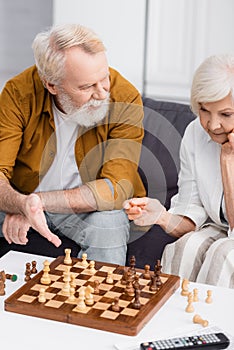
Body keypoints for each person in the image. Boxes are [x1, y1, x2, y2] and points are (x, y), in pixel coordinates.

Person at [0, 23, 146, 265]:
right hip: (22, 196)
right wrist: (21, 204)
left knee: (108, 225)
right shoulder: (19, 93)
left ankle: (99, 302)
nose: (101, 93)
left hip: (87, 210)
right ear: (51, 85)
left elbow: (114, 189)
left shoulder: (125, 98)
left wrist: (37, 203)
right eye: (87, 86)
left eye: (104, 78)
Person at [124, 54, 234, 288]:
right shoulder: (195, 132)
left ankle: (215, 324)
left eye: (226, 115)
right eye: (204, 110)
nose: (212, 125)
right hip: (218, 227)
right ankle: (171, 320)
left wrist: (228, 160)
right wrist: (161, 216)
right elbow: (191, 207)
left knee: (223, 255)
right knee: (184, 248)